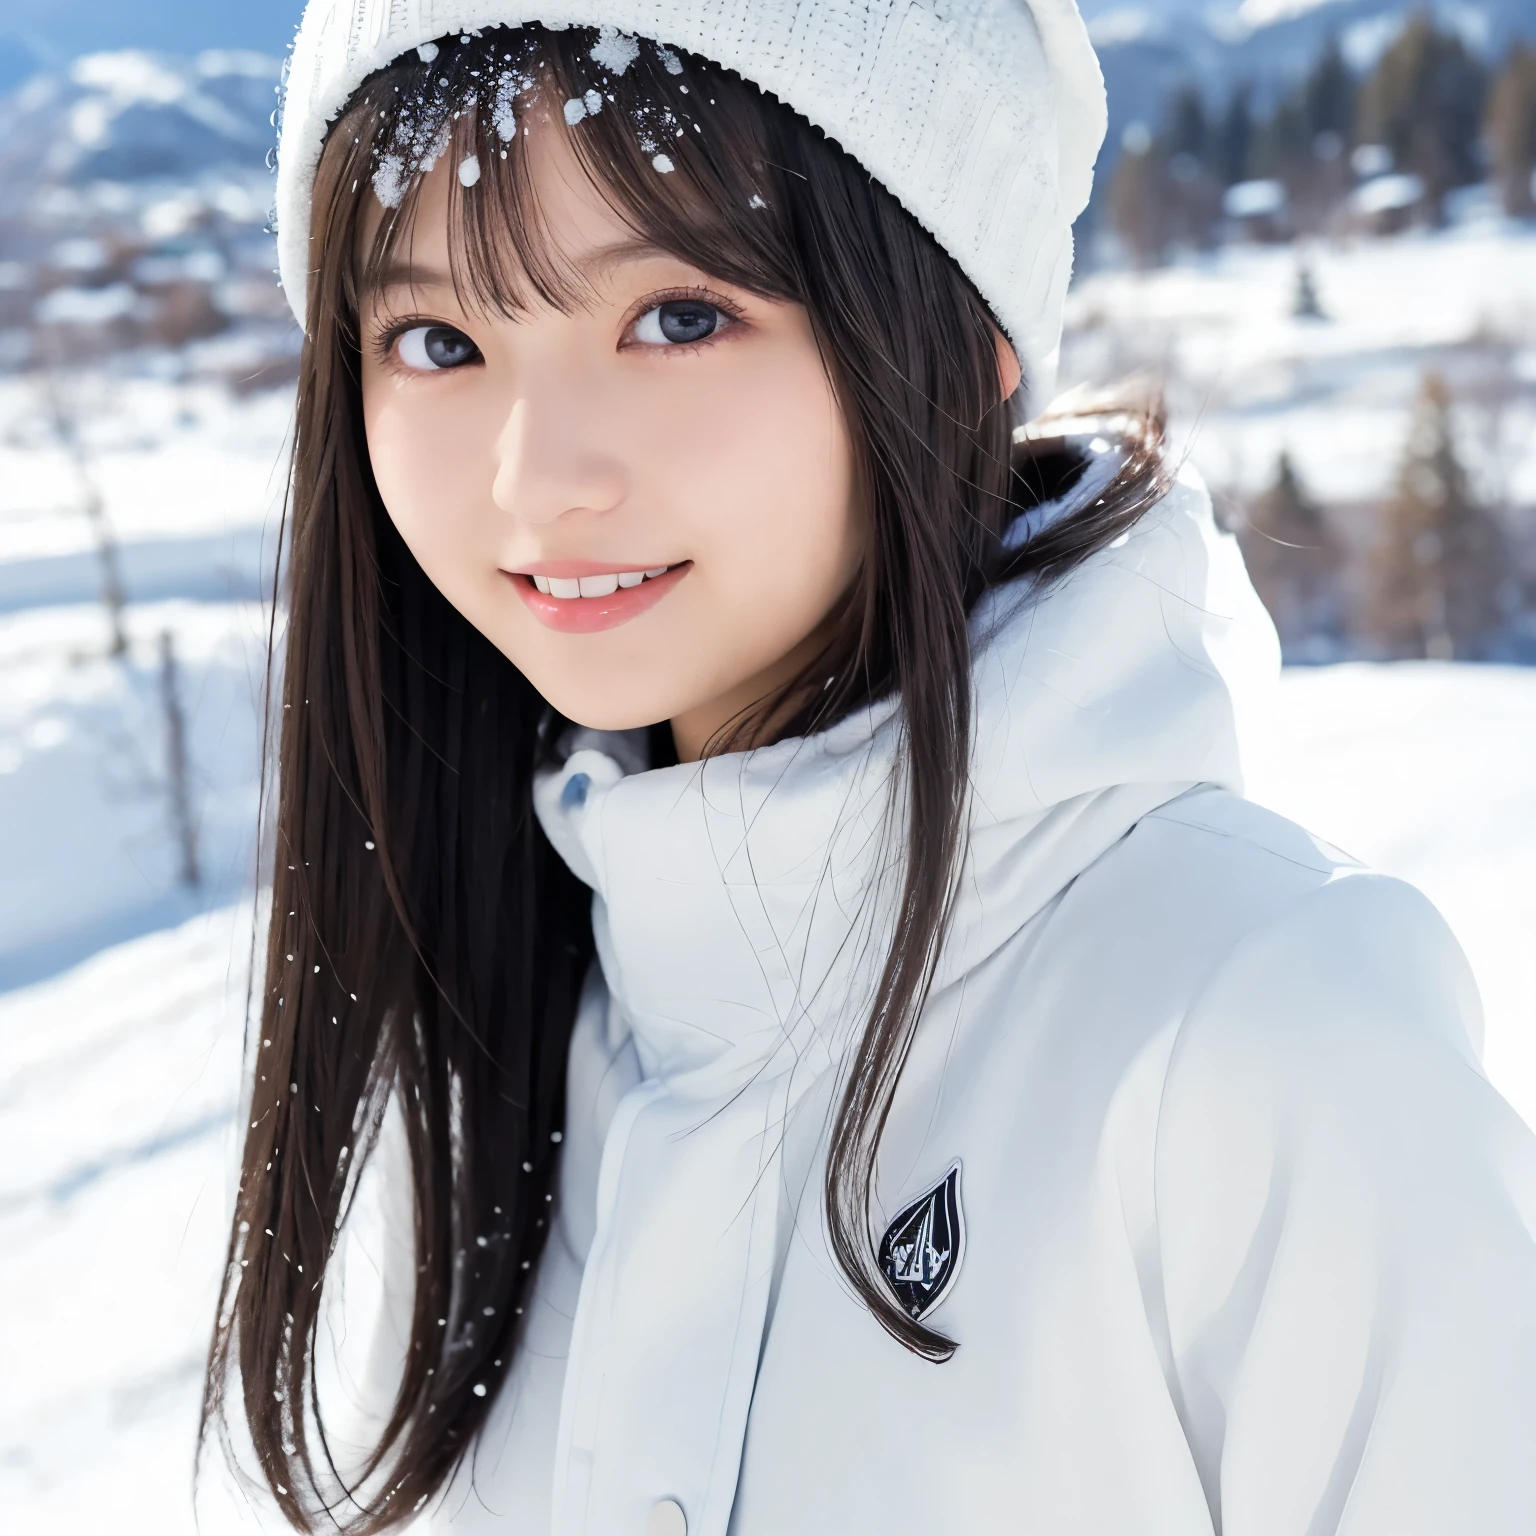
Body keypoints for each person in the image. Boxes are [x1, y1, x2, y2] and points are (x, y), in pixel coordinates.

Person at [202, 6, 1536, 1534]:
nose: (535, 475)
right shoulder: (490, 1054)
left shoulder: (1259, 1025)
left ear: (958, 338)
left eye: (680, 316)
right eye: (437, 340)